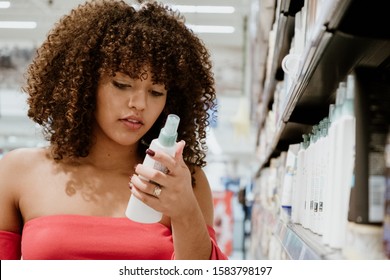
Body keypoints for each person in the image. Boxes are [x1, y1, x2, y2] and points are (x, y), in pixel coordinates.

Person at [0, 0, 227, 260]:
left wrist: (186, 210)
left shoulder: (181, 182)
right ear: (84, 84)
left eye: (156, 92)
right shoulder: (18, 172)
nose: (139, 104)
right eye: (121, 84)